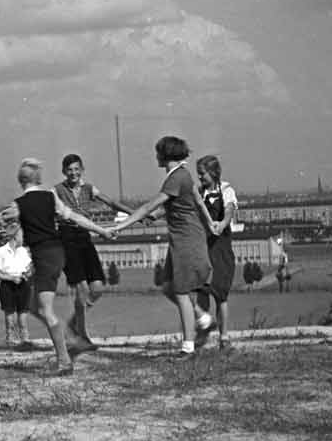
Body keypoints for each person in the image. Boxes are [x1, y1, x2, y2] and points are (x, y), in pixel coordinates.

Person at [0, 157, 115, 376]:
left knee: (44, 310)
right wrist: (102, 231)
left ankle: (65, 358)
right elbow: (75, 217)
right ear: (38, 179)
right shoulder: (51, 197)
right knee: (34, 306)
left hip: (44, 258)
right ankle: (69, 338)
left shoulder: (19, 204)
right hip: (58, 254)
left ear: (20, 181)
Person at [113, 136, 220, 359]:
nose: (156, 156)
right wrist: (153, 216)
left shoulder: (176, 177)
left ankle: (188, 347)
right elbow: (187, 202)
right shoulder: (181, 175)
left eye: (158, 153)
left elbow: (149, 206)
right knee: (169, 287)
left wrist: (120, 227)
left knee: (181, 293)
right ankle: (204, 320)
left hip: (187, 240)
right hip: (180, 240)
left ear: (166, 155)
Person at [54, 154, 138, 352]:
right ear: (64, 171)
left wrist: (135, 214)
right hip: (66, 237)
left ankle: (74, 322)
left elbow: (111, 203)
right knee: (81, 289)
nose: (73, 173)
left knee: (97, 288)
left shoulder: (89, 189)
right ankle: (82, 336)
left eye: (76, 169)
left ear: (82, 170)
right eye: (69, 170)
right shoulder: (56, 191)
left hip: (84, 236)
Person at [193, 154, 238, 349]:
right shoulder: (198, 193)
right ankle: (202, 334)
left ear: (213, 173)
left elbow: (229, 210)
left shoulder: (226, 190)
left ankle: (224, 337)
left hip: (221, 249)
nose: (199, 177)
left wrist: (223, 223)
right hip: (203, 248)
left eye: (202, 173)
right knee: (201, 291)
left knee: (220, 294)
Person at [0, 217, 35, 350]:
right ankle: (10, 340)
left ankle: (25, 340)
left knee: (23, 316)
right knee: (9, 316)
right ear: (15, 236)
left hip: (23, 285)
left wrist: (28, 273)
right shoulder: (1, 251)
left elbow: (29, 268)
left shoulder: (23, 251)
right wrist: (11, 278)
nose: (23, 238)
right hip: (8, 286)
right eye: (22, 235)